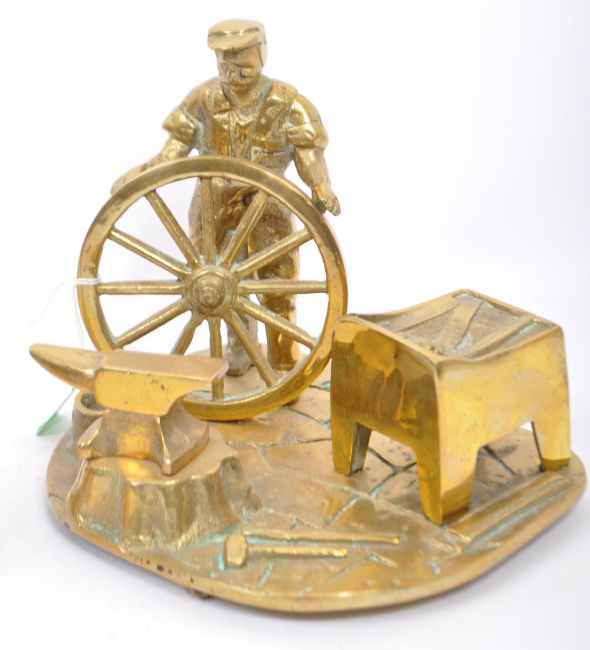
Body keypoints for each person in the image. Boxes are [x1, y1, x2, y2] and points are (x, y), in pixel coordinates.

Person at [113, 19, 340, 375]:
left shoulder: (289, 104)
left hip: (269, 206)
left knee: (279, 286)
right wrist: (145, 171)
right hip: (213, 205)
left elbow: (309, 152)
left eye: (243, 65)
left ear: (262, 54)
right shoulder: (202, 99)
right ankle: (238, 350)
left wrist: (321, 186)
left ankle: (283, 363)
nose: (233, 73)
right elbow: (175, 148)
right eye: (225, 64)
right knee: (218, 283)